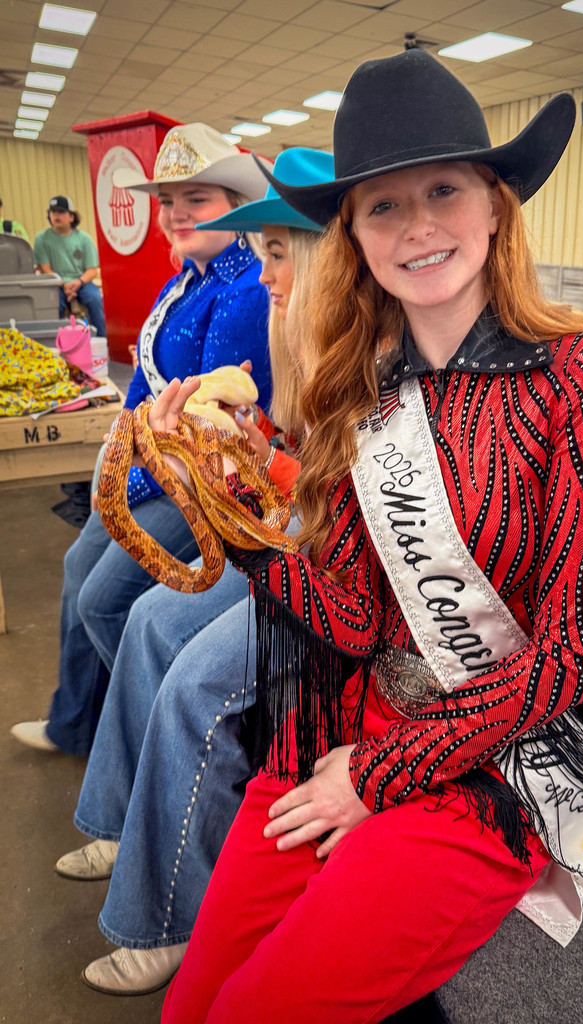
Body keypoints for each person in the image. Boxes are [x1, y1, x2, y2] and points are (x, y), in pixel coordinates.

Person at [146, 49, 583, 1024]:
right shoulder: (362, 389)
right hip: (347, 728)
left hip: (492, 767)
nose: (418, 225)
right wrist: (230, 516)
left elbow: (577, 653)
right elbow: (356, 615)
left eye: (446, 190)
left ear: (497, 204)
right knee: (193, 1009)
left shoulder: (581, 379)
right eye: (383, 205)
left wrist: (378, 775)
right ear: (357, 234)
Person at [54, 149, 333, 997]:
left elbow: (330, 500)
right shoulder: (288, 321)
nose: (269, 273)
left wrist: (253, 460)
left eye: (282, 254)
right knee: (140, 620)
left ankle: (166, 913)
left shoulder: (317, 324)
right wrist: (253, 450)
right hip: (293, 540)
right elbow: (295, 462)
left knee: (185, 676)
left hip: (325, 566)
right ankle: (127, 816)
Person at [11, 123, 270, 757]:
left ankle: (138, 734)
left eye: (197, 200)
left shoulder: (243, 291)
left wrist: (133, 466)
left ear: (236, 209)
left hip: (192, 484)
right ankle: (77, 721)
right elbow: (144, 384)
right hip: (143, 466)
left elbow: (208, 424)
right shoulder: (183, 281)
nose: (177, 214)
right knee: (78, 569)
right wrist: (115, 454)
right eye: (168, 203)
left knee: (103, 602)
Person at [33, 194, 107, 336]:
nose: (56, 215)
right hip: (54, 284)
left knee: (95, 299)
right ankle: (55, 343)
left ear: (71, 217)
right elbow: (45, 269)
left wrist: (78, 283)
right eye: (53, 212)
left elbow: (92, 270)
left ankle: (101, 340)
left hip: (82, 283)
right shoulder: (41, 239)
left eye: (61, 212)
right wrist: (63, 285)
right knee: (53, 306)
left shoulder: (84, 239)